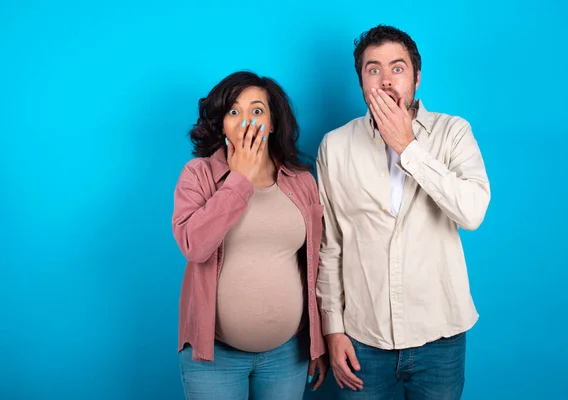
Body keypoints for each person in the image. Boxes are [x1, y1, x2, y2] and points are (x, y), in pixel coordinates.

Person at [316, 25, 491, 399]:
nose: (385, 80)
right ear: (360, 80)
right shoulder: (334, 146)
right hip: (363, 339)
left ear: (416, 77)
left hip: (440, 339)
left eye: (397, 68)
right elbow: (330, 246)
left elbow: (472, 212)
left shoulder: (454, 132)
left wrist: (407, 146)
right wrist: (332, 329)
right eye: (373, 69)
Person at [172, 71, 328, 400]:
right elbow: (194, 245)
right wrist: (238, 180)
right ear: (222, 123)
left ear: (272, 123)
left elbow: (318, 263)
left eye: (257, 111)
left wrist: (317, 341)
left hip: (287, 355)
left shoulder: (302, 181)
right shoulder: (198, 175)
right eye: (234, 111)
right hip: (215, 357)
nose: (246, 120)